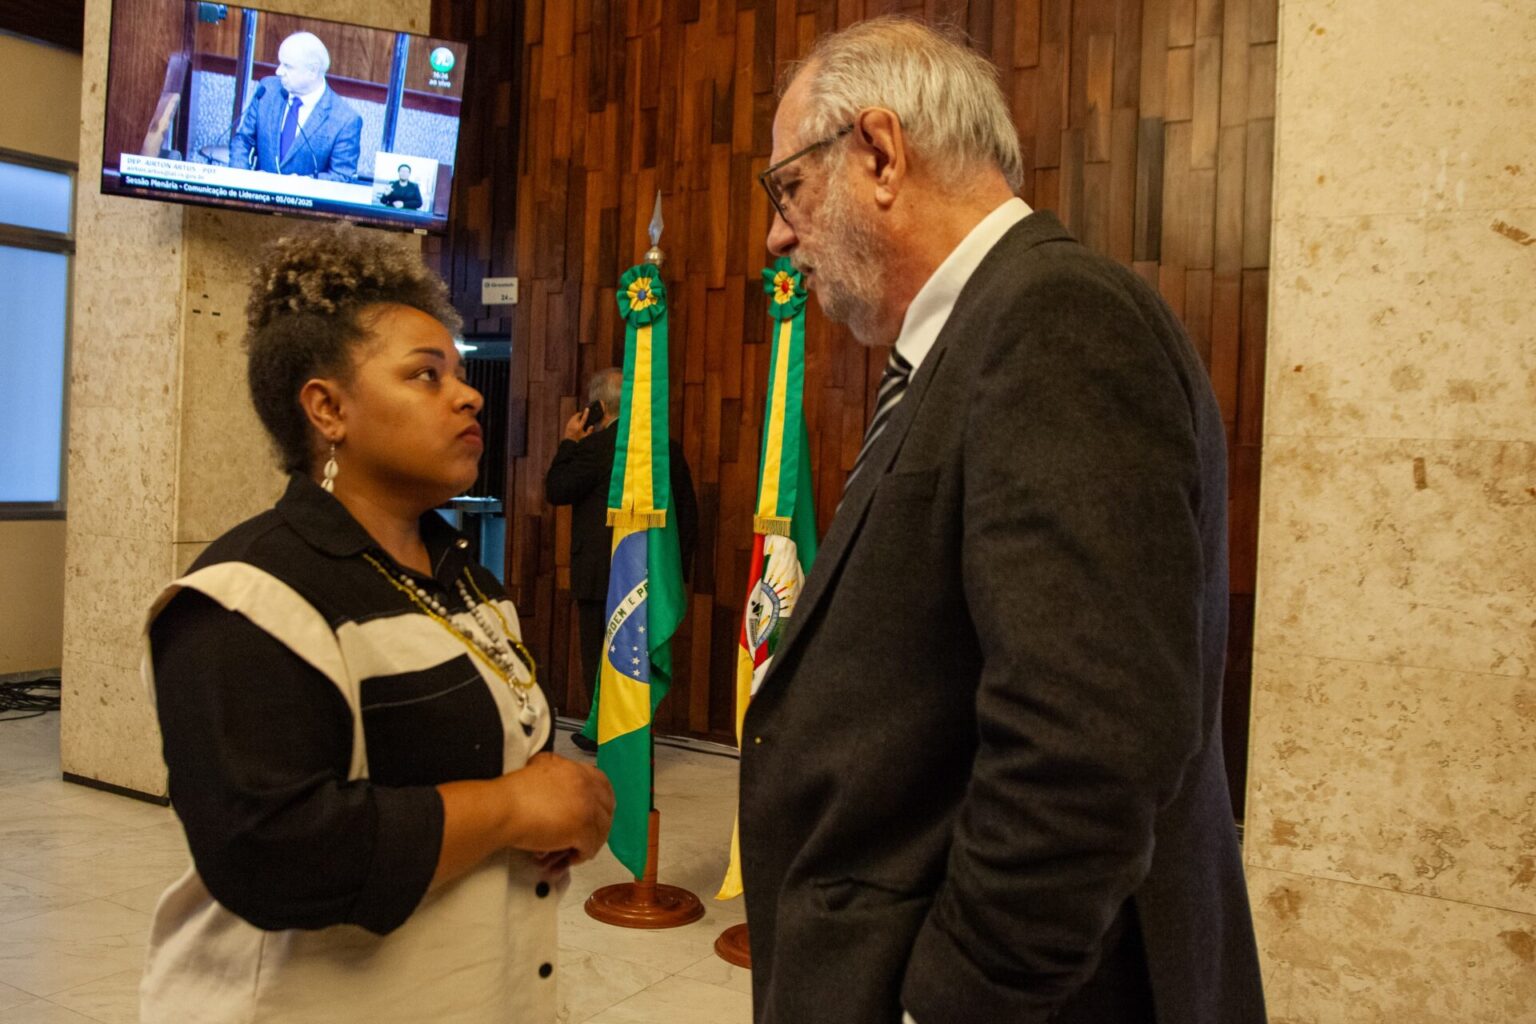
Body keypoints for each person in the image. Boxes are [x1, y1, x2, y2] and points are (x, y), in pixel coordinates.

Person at [737, 17, 1267, 1024]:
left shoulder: (1058, 319)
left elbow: (1084, 747)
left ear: (879, 152)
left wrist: (947, 1004)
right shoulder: (972, 339)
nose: (777, 233)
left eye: (789, 187)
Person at [140, 225, 614, 1023]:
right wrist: (512, 808)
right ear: (328, 408)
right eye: (426, 376)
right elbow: (272, 854)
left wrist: (562, 809)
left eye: (461, 374)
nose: (467, 395)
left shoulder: (471, 582)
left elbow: (514, 768)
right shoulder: (242, 597)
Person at [544, 367, 698, 754]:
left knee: (602, 653)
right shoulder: (665, 448)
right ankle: (632, 727)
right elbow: (688, 513)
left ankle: (604, 731)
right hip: (653, 573)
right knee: (639, 652)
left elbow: (556, 489)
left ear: (596, 407)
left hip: (600, 575)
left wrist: (569, 442)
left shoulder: (594, 448)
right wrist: (677, 573)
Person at [228, 31, 363, 182]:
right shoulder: (267, 90)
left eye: (287, 66)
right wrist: (241, 179)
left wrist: (299, 186)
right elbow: (243, 140)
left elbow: (341, 176)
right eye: (280, 63)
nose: (278, 71)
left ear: (313, 71)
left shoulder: (345, 120)